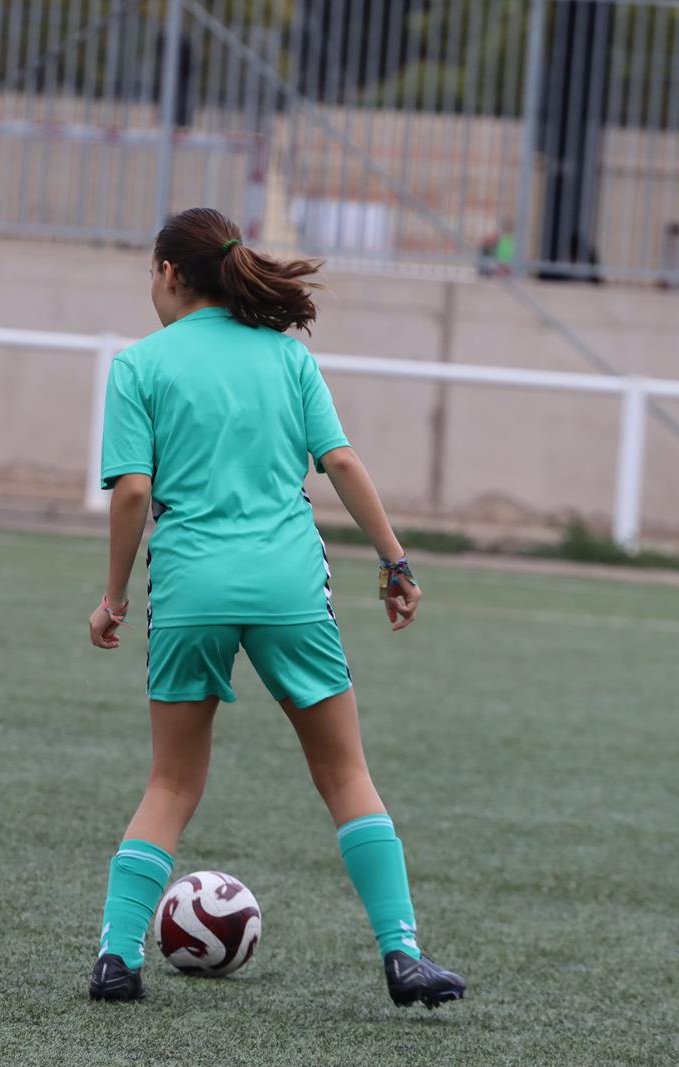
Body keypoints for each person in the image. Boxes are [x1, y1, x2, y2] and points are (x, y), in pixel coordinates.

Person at [86, 207, 465, 1010]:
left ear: (169, 274)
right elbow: (342, 462)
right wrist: (395, 561)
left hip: (190, 586)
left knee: (171, 781)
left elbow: (133, 493)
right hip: (289, 586)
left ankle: (117, 957)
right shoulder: (287, 357)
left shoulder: (139, 364)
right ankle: (403, 954)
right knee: (344, 772)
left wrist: (114, 596)